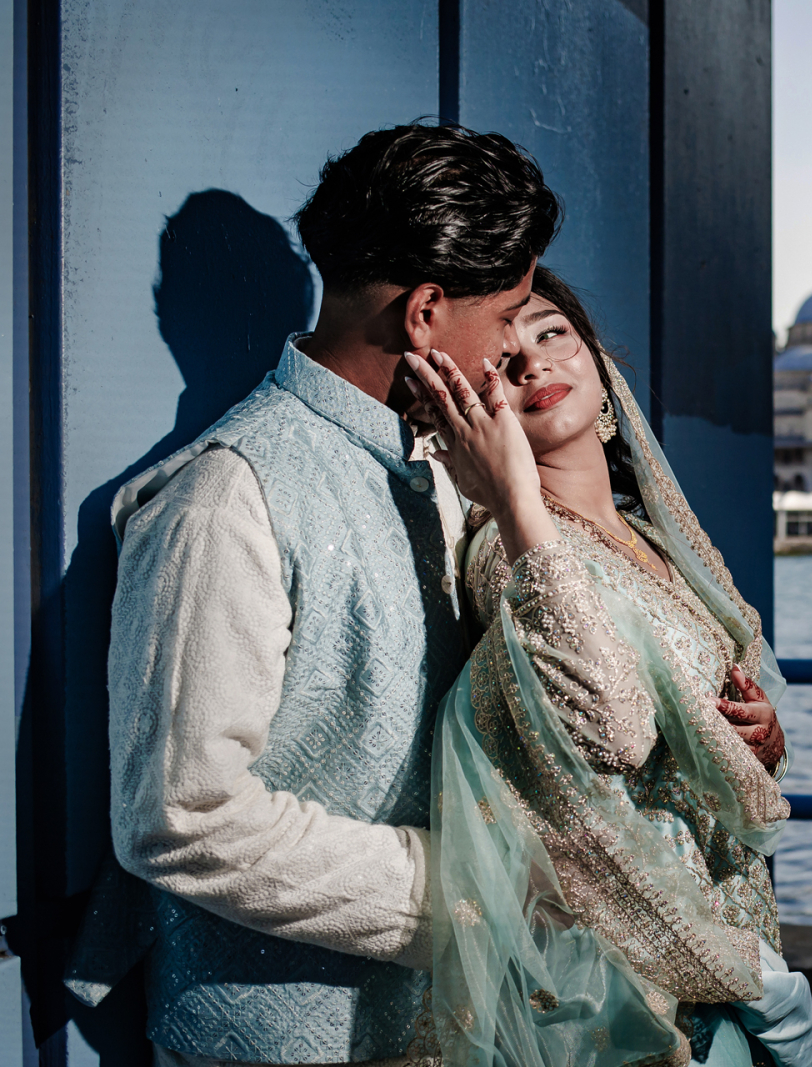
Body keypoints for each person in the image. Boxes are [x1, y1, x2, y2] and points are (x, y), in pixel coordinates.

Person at [85, 124, 561, 1065]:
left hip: (447, 1024)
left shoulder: (438, 462)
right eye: (506, 313)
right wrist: (462, 892)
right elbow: (179, 814)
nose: (514, 348)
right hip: (285, 1041)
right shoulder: (226, 495)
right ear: (426, 311)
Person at [404, 267, 812, 1067]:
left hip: (737, 921)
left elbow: (698, 728)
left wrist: (761, 736)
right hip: (642, 982)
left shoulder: (654, 543)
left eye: (553, 332)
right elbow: (612, 732)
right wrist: (514, 494)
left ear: (598, 356)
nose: (533, 364)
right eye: (504, 357)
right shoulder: (508, 552)